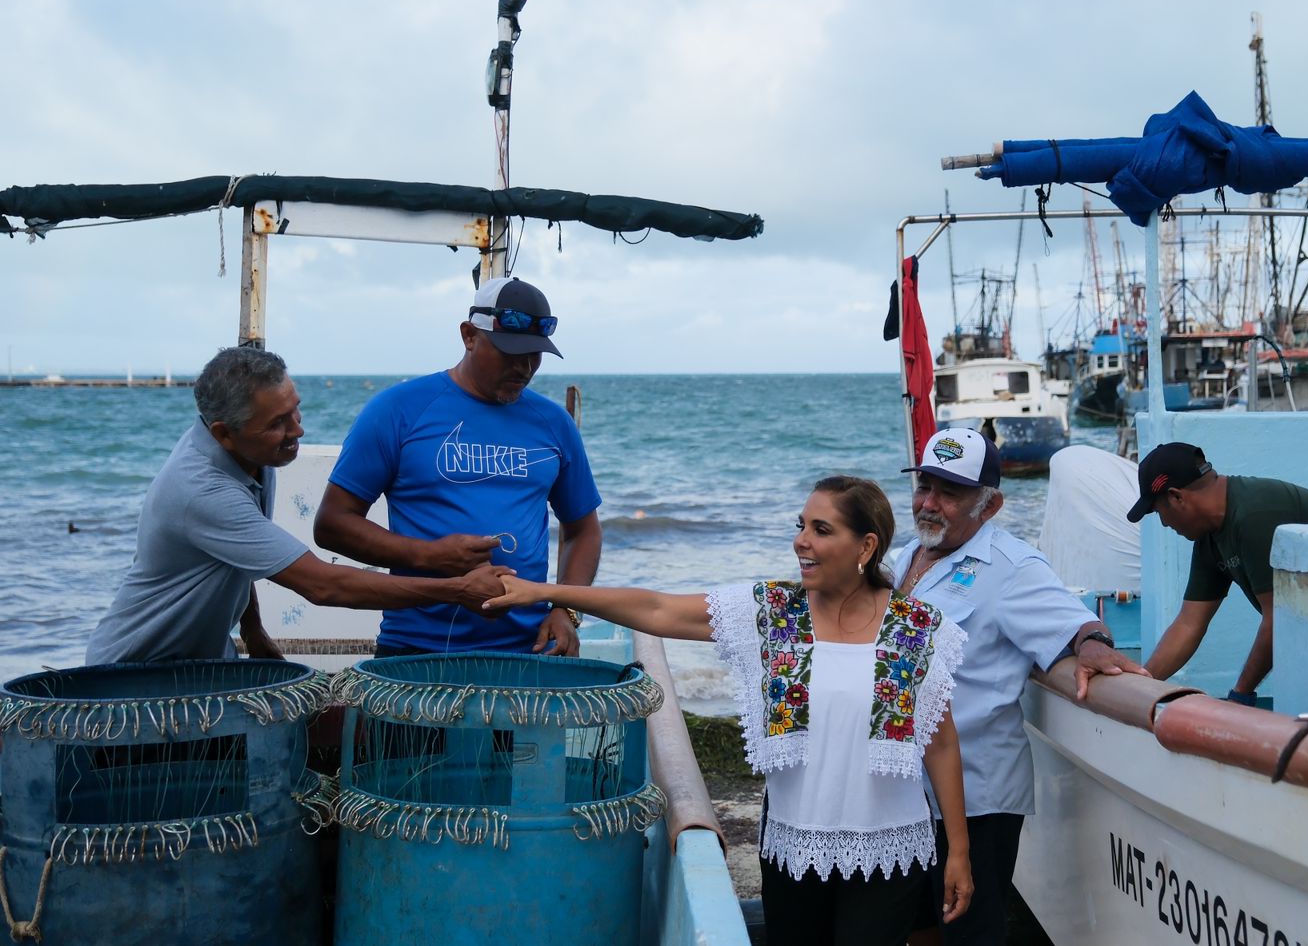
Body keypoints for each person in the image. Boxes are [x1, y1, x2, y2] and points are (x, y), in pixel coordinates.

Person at [487, 476, 973, 946]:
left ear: (866, 547)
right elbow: (658, 609)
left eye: (821, 530)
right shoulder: (773, 613)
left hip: (889, 850)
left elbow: (941, 741)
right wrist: (546, 592)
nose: (801, 542)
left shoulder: (916, 630)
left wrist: (959, 852)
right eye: (800, 525)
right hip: (794, 844)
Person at [85, 347, 511, 665]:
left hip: (200, 663)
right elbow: (324, 585)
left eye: (295, 411)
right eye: (277, 424)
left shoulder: (254, 455)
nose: (298, 430)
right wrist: (457, 590)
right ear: (223, 433)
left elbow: (237, 555)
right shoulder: (203, 490)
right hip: (131, 670)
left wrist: (253, 630)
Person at [896, 427, 1148, 946]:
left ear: (989, 507)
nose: (930, 503)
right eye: (924, 486)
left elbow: (1078, 622)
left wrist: (1094, 643)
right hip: (908, 791)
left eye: (950, 493)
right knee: (918, 926)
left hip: (977, 796)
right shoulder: (906, 557)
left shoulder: (1012, 569)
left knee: (971, 932)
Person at [314, 277, 602, 657]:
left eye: (534, 354)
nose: (523, 367)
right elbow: (333, 525)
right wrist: (428, 555)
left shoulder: (553, 423)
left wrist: (565, 608)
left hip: (527, 651)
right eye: (508, 352)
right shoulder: (397, 411)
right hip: (416, 649)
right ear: (469, 335)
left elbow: (583, 531)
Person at [1127, 441, 1308, 704]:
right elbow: (1189, 623)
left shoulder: (1253, 515)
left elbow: (1279, 619)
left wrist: (1241, 695)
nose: (1165, 523)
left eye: (1159, 512)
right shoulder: (1209, 535)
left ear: (1177, 497)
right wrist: (1142, 682)